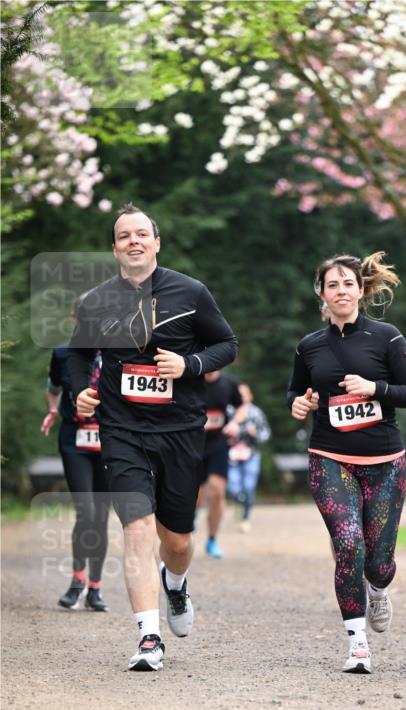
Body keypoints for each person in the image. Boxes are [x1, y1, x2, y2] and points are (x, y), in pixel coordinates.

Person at [69, 203, 237, 670]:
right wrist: (81, 391)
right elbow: (79, 357)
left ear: (157, 243)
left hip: (181, 429)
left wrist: (190, 365)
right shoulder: (96, 301)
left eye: (142, 234)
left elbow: (227, 343)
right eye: (125, 236)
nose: (134, 242)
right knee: (137, 529)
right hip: (121, 429)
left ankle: (177, 586)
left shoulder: (191, 292)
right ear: (115, 247)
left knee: (177, 541)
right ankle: (148, 636)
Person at [288, 252, 406, 675]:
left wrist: (375, 388)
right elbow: (296, 393)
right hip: (330, 457)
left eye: (348, 283)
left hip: (385, 461)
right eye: (333, 285)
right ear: (322, 295)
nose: (341, 291)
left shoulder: (386, 338)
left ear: (361, 290)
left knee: (378, 561)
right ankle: (357, 643)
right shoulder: (309, 346)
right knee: (348, 544)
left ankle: (379, 589)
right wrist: (299, 403)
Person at [41, 345, 110, 611]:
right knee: (86, 511)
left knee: (100, 516)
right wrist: (53, 410)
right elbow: (54, 386)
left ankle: (95, 588)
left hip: (109, 441)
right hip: (75, 440)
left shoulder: (119, 353)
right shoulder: (62, 355)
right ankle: (77, 581)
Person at [197, 369, 242, 557]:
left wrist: (235, 422)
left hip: (218, 444)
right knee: (195, 497)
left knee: (217, 491)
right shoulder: (191, 379)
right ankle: (187, 525)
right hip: (192, 444)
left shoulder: (228, 383)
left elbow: (242, 405)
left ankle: (212, 540)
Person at [226, 382, 271, 532]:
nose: (242, 397)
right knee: (233, 487)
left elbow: (266, 433)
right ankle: (238, 504)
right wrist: (227, 437)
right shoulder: (229, 411)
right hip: (231, 456)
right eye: (239, 395)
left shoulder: (256, 413)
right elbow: (219, 432)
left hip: (251, 455)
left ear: (250, 396)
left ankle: (245, 518)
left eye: (244, 394)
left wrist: (255, 434)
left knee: (249, 487)